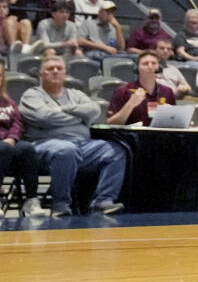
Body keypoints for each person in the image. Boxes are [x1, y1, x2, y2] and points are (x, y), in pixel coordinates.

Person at [18, 52, 126, 216]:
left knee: (115, 151)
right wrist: (79, 118)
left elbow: (94, 110)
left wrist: (63, 109)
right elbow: (44, 117)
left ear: (64, 73)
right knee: (66, 150)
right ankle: (61, 204)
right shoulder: (32, 95)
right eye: (50, 69)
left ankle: (102, 201)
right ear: (41, 74)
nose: (55, 71)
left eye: (59, 68)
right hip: (45, 144)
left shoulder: (76, 94)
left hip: (82, 145)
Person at [0, 60, 50, 219]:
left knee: (27, 148)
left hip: (7, 145)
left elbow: (17, 122)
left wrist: (12, 138)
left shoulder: (8, 102)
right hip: (3, 147)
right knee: (4, 149)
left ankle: (31, 200)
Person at [107, 53, 181, 125]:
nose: (150, 66)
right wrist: (130, 104)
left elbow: (173, 123)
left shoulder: (167, 91)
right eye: (145, 63)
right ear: (137, 68)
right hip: (131, 136)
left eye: (154, 63)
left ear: (159, 68)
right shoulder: (123, 91)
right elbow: (111, 123)